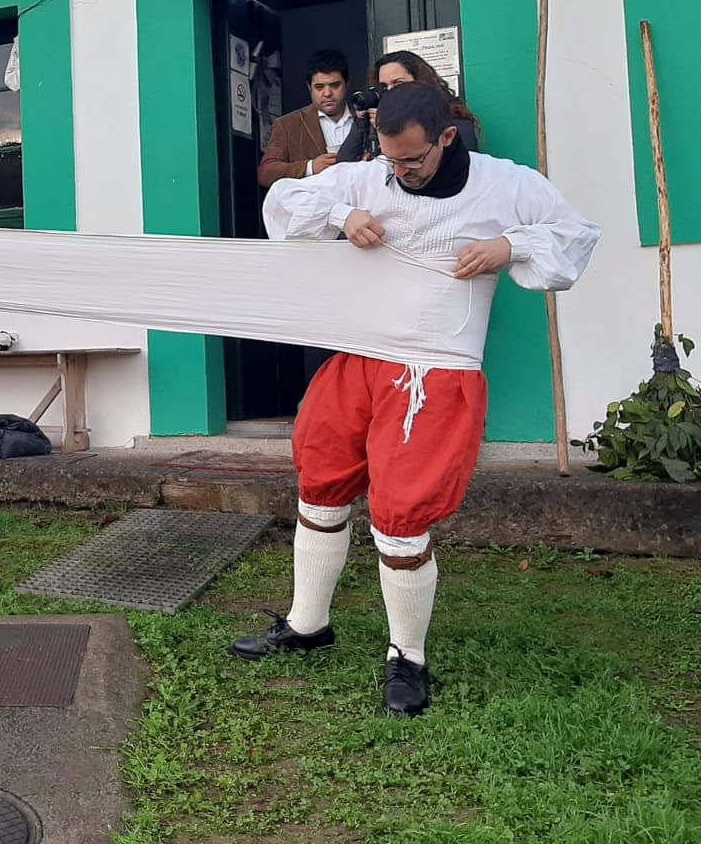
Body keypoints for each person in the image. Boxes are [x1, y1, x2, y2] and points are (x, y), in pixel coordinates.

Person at [233, 84, 599, 716]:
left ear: (446, 139)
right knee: (320, 480)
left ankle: (408, 656)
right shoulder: (370, 176)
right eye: (390, 158)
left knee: (401, 514)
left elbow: (575, 235)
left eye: (412, 161)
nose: (399, 172)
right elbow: (286, 200)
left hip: (437, 369)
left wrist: (510, 247)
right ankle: (308, 623)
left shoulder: (504, 185)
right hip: (359, 355)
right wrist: (342, 217)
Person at [339, 49, 480, 162]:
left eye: (398, 83)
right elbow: (343, 165)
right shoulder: (377, 117)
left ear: (420, 82)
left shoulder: (455, 123)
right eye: (383, 86)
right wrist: (361, 122)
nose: (390, 91)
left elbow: (461, 170)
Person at [257, 50, 356, 188]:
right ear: (309, 87)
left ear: (347, 84)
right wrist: (310, 167)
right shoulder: (288, 125)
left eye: (335, 85)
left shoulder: (367, 119)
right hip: (313, 207)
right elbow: (266, 172)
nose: (327, 93)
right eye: (319, 87)